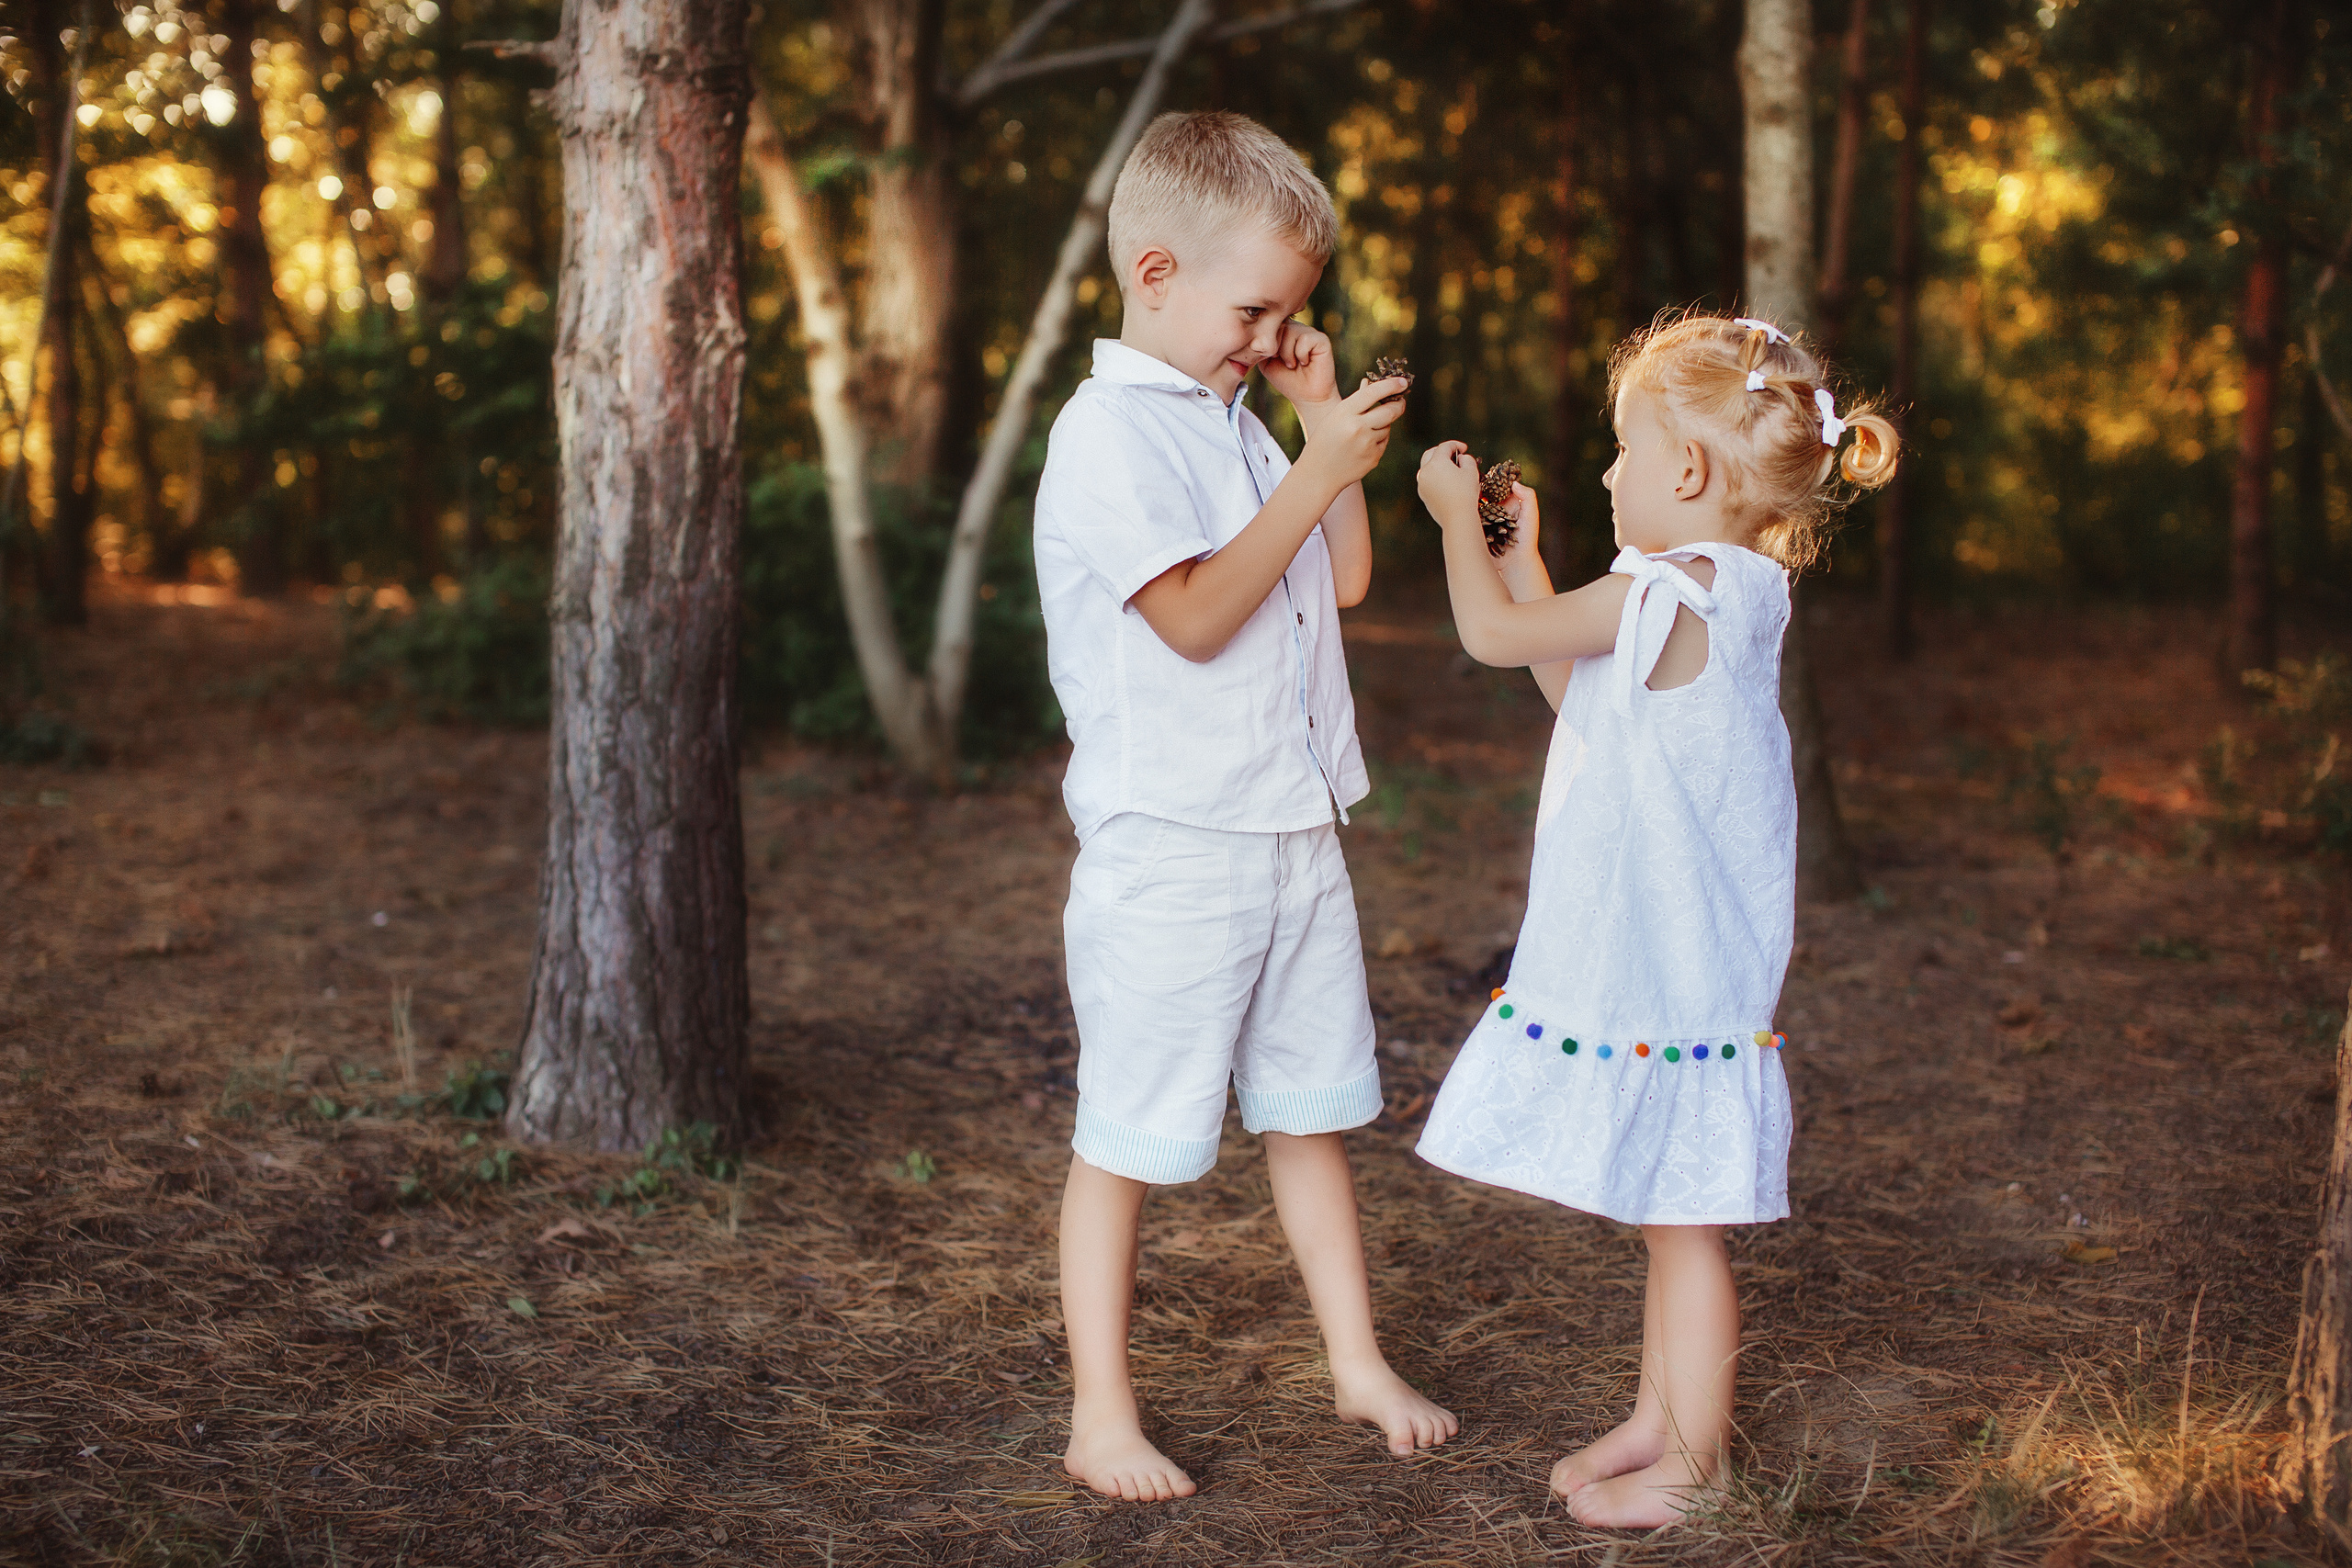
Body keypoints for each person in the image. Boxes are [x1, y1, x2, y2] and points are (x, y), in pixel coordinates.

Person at [1033, 110, 1460, 1504]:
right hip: (1173, 845)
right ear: (1154, 274)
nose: (1272, 335)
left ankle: (1354, 1360)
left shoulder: (1235, 424)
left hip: (1288, 830)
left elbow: (1339, 580)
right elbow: (1202, 613)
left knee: (1309, 1111)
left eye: (1294, 316)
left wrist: (1310, 429)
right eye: (1255, 309)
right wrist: (1320, 464)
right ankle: (1101, 1410)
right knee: (1127, 1134)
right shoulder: (1108, 439)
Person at [1412, 312, 1898, 1529]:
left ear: (1688, 473)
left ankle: (1700, 1461)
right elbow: (1577, 693)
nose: (1615, 473)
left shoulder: (1681, 588)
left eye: (1626, 452)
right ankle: (1658, 1419)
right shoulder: (1717, 590)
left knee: (1685, 1231)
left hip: (1678, 962)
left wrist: (1451, 532)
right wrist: (1523, 557)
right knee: (1663, 1207)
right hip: (1683, 950)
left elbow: (1488, 639)